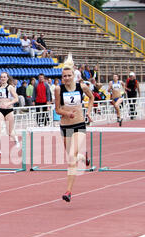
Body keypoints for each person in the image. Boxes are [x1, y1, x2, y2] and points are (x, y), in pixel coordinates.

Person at [54, 54, 94, 203]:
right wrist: (67, 113)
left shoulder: (81, 87)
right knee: (72, 157)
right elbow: (57, 109)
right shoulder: (58, 89)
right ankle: (84, 157)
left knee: (71, 158)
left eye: (69, 75)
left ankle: (68, 191)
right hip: (65, 126)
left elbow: (92, 98)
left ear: (74, 75)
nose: (67, 78)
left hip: (79, 125)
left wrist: (88, 112)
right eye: (64, 76)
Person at [0, 72, 20, 155]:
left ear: (7, 78)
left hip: (8, 110)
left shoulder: (10, 87)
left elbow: (16, 99)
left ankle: (15, 139)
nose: (3, 78)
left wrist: (8, 104)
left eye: (4, 77)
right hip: (0, 109)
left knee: (9, 132)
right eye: (1, 77)